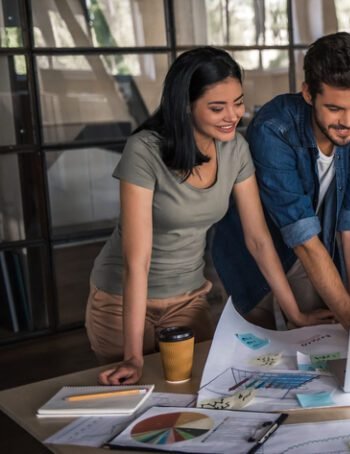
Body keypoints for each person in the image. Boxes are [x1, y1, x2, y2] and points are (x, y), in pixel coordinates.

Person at [86, 47, 303, 385]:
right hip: (123, 301)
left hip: (188, 299)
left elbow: (258, 240)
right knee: (134, 395)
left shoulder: (235, 149)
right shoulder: (144, 150)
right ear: (185, 106)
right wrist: (132, 356)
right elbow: (137, 260)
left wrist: (295, 314)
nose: (232, 115)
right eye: (217, 107)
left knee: (193, 393)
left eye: (238, 102)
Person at [213, 32, 350, 330]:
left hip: (317, 246)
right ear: (309, 94)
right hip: (258, 254)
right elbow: (302, 235)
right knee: (263, 346)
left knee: (323, 337)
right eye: (335, 108)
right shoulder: (274, 128)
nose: (349, 121)